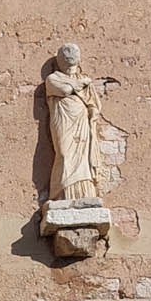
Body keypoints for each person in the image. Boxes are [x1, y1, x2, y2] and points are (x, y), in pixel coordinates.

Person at [45, 41, 103, 202]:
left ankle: (85, 194)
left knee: (83, 157)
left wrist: (92, 111)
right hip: (63, 121)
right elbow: (64, 90)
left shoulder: (83, 80)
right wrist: (80, 84)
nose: (69, 59)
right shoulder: (53, 79)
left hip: (81, 121)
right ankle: (61, 194)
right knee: (64, 153)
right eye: (65, 56)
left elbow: (93, 103)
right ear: (59, 60)